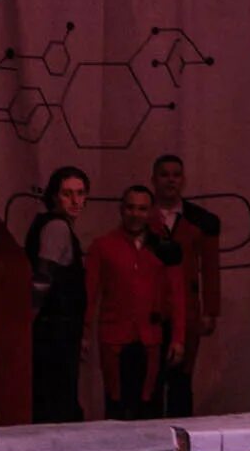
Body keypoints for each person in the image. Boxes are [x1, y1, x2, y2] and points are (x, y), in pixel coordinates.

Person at [85, 184, 184, 421]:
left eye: (142, 209)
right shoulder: (102, 246)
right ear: (121, 210)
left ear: (150, 212)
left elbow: (177, 294)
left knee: (149, 404)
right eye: (130, 207)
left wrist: (178, 337)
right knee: (116, 404)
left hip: (150, 337)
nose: (135, 214)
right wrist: (84, 333)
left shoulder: (163, 248)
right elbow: (89, 294)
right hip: (114, 338)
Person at [147, 154, 220, 418]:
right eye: (164, 174)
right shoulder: (141, 215)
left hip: (187, 311)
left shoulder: (199, 221)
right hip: (150, 311)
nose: (170, 180)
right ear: (154, 179)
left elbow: (211, 268)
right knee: (151, 381)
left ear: (184, 180)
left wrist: (211, 310)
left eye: (176, 174)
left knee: (181, 380)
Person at [25, 166, 89, 424]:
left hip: (58, 329)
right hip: (54, 332)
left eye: (80, 193)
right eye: (67, 194)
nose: (75, 201)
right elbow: (43, 277)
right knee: (57, 402)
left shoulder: (55, 226)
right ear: (54, 196)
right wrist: (31, 317)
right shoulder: (56, 227)